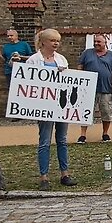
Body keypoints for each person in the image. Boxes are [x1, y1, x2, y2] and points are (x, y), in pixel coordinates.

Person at [27, 28, 76, 189]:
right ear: (43, 42)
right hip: (44, 106)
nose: (56, 43)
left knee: (62, 140)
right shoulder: (33, 60)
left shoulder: (61, 59)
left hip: (60, 104)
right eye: (53, 40)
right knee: (45, 141)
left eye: (58, 41)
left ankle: (65, 173)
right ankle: (44, 177)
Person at [76, 34, 112, 143]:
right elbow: (80, 67)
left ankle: (105, 133)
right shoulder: (87, 53)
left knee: (106, 111)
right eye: (95, 41)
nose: (96, 43)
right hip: (89, 89)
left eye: (99, 42)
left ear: (105, 43)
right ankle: (83, 135)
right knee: (86, 112)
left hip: (106, 88)